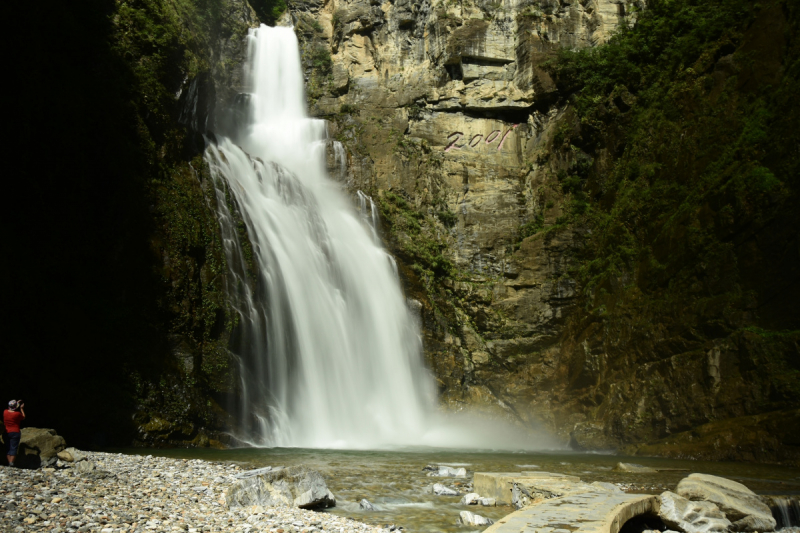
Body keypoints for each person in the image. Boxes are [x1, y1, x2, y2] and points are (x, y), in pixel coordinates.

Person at [4, 400, 25, 467]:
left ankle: (9, 462)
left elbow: (12, 407)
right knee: (14, 447)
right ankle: (11, 463)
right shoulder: (17, 414)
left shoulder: (5, 412)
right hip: (15, 432)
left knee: (8, 447)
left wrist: (16, 403)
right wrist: (21, 408)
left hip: (6, 431)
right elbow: (23, 417)